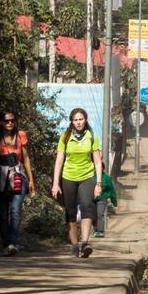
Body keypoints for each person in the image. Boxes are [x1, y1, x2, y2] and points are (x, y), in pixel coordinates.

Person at [51, 107, 103, 258]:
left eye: (81, 119)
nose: (78, 122)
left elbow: (98, 162)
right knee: (70, 211)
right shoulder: (65, 137)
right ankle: (74, 245)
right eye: (75, 120)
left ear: (85, 120)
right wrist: (56, 183)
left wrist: (98, 183)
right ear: (71, 121)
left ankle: (85, 243)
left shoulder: (92, 136)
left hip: (87, 176)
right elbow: (59, 161)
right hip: (68, 177)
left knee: (87, 207)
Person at [0, 109, 35, 255]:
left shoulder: (21, 135)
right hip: (0, 175)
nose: (10, 123)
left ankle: (13, 242)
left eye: (12, 120)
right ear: (1, 122)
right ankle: (6, 244)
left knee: (16, 210)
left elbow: (26, 158)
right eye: (7, 121)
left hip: (18, 175)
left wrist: (31, 179)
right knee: (3, 212)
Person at [94, 168, 118, 237]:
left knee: (100, 214)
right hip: (91, 199)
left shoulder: (106, 177)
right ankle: (95, 229)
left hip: (102, 198)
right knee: (92, 215)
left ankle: (100, 231)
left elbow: (112, 190)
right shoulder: (91, 176)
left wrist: (114, 201)